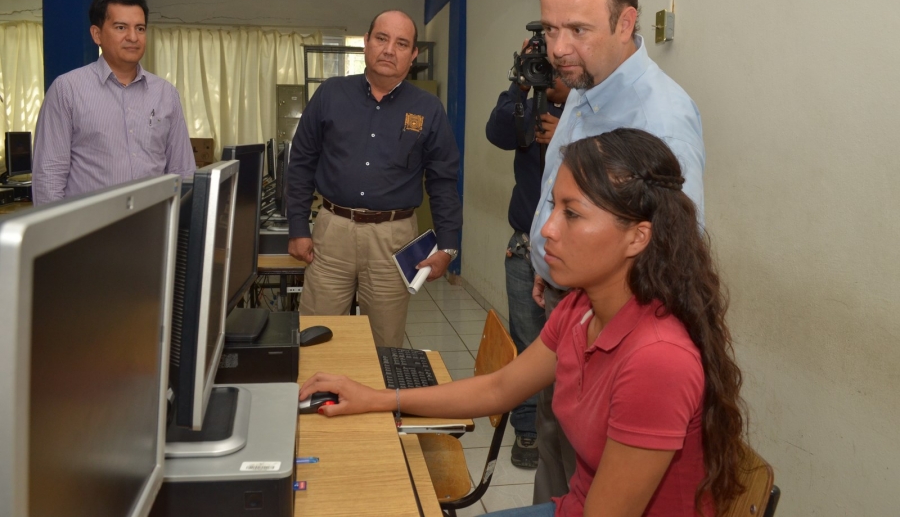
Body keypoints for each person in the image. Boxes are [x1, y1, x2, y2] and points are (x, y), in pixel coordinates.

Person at [300, 129, 746, 517]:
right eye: (553, 207)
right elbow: (498, 389)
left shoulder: (657, 360)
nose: (547, 229)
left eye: (571, 214)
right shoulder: (580, 309)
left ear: (637, 236)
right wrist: (377, 398)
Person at [528, 0, 707, 502]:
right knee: (558, 480)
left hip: (618, 357)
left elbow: (675, 254)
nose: (559, 49)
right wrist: (551, 265)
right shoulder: (586, 89)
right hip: (575, 319)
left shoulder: (659, 118)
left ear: (626, 21)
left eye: (577, 29)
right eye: (550, 29)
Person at [287, 10, 462, 348]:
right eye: (381, 38)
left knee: (385, 343)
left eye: (401, 44)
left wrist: (448, 245)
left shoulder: (428, 108)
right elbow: (301, 163)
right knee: (314, 336)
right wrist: (297, 227)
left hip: (393, 241)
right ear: (366, 43)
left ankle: (376, 401)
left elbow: (442, 180)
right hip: (332, 233)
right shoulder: (330, 94)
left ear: (413, 56)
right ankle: (316, 399)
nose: (388, 50)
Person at [32, 0, 195, 204]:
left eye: (140, 28)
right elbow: (48, 176)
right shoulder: (67, 90)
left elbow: (183, 171)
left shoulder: (166, 94)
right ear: (97, 34)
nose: (133, 37)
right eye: (121, 27)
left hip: (153, 230)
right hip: (89, 233)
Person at [486, 74, 570, 468]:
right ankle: (527, 431)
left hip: (575, 255)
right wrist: (518, 82)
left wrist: (567, 138)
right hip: (524, 247)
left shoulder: (594, 113)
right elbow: (497, 131)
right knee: (525, 341)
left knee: (569, 352)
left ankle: (567, 436)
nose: (550, 70)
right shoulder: (529, 108)